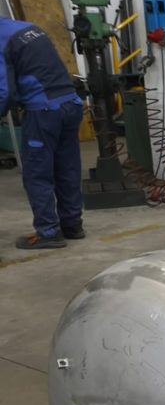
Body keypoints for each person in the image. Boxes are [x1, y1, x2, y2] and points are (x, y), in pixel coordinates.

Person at [0, 18, 85, 249]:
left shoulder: (1, 39)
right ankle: (72, 225)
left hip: (44, 111)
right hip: (70, 103)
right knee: (67, 168)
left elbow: (5, 91)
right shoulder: (26, 27)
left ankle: (48, 232)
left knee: (37, 173)